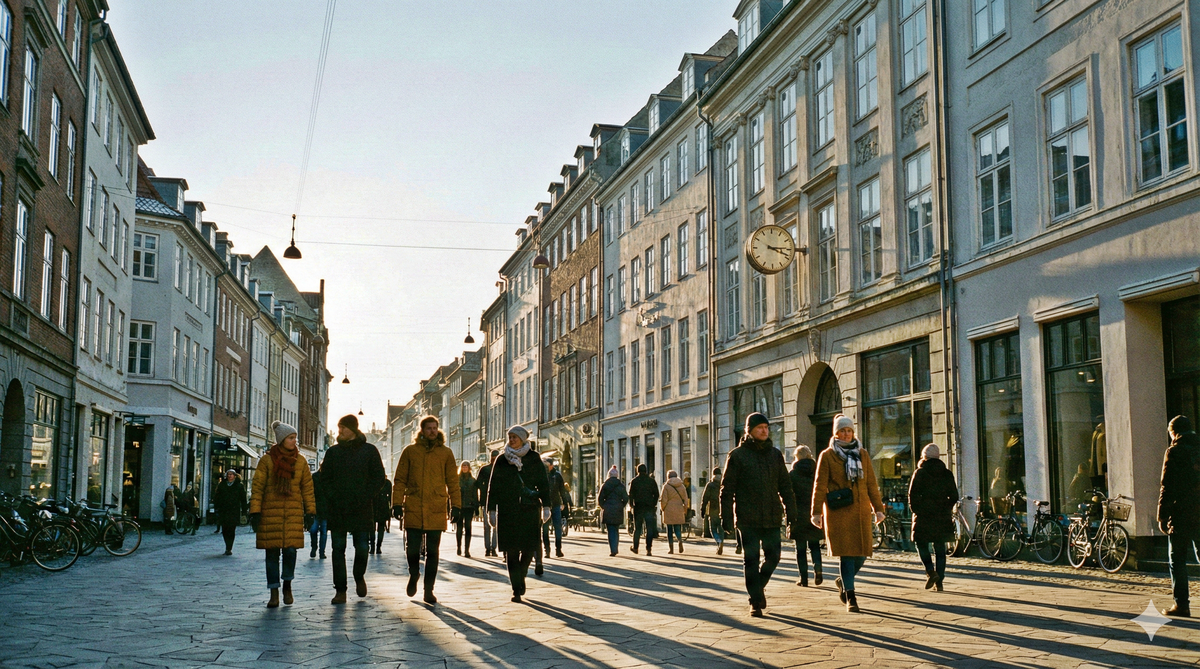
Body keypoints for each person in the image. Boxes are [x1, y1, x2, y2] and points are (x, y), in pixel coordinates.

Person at [721, 412, 798, 617]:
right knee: (751, 560)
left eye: (766, 427)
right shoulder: (737, 455)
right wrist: (726, 517)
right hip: (747, 517)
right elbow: (727, 489)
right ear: (750, 431)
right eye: (760, 428)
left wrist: (791, 511)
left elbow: (785, 486)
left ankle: (757, 588)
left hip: (772, 514)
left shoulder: (775, 454)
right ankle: (755, 601)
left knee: (774, 557)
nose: (764, 430)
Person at [812, 414, 885, 613]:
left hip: (861, 512)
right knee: (847, 554)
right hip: (840, 511)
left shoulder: (862, 454)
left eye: (849, 430)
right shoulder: (827, 455)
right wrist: (816, 512)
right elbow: (820, 485)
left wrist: (878, 508)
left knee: (861, 554)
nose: (846, 434)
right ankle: (850, 596)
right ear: (836, 433)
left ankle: (843, 580)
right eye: (842, 431)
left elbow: (871, 483)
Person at [392, 415, 460, 605]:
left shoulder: (445, 453)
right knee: (412, 549)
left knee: (433, 551)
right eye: (428, 428)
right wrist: (396, 503)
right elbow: (400, 480)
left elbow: (453, 482)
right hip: (414, 504)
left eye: (435, 428)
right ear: (421, 431)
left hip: (436, 506)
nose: (432, 431)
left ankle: (429, 589)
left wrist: (456, 506)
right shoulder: (410, 451)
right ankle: (414, 574)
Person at [248, 421, 316, 608]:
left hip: (293, 514)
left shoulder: (301, 461)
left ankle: (287, 585)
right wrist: (255, 511)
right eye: (291, 438)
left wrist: (310, 512)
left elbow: (307, 489)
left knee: (290, 552)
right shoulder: (267, 461)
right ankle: (274, 592)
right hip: (270, 513)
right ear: (281, 440)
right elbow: (258, 487)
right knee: (271, 554)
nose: (295, 441)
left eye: (295, 438)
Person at [321, 414, 386, 605]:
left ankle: (359, 576)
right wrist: (333, 497)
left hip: (361, 507)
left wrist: (366, 496)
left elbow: (378, 477)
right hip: (338, 508)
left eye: (343, 427)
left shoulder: (369, 451)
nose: (339, 431)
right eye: (339, 427)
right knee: (337, 549)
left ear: (353, 429)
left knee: (363, 547)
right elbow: (325, 479)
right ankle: (340, 590)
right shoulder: (333, 452)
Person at [487, 425, 548, 602]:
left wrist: (546, 506)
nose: (511, 440)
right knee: (511, 552)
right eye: (510, 437)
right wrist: (491, 509)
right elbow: (493, 487)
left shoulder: (534, 458)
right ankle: (516, 588)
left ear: (523, 439)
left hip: (529, 509)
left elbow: (543, 484)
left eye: (515, 437)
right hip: (508, 510)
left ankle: (521, 574)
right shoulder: (501, 459)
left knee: (529, 549)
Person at [1158, 415, 1200, 618]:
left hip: (1181, 512)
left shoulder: (1174, 451)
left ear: (1174, 432)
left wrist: (1162, 516)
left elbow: (1167, 486)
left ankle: (1181, 605)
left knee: (1178, 560)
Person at [908, 444, 959, 592]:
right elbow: (954, 496)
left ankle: (931, 571)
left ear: (924, 456)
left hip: (923, 515)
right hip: (942, 516)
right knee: (940, 549)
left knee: (921, 544)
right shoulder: (947, 473)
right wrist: (946, 508)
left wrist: (916, 510)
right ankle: (939, 582)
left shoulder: (920, 472)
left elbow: (912, 495)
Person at [790, 446, 823, 587]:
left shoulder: (792, 474)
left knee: (800, 548)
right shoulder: (817, 472)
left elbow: (788, 495)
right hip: (814, 513)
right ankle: (818, 569)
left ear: (796, 457)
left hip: (798, 515)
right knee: (814, 545)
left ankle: (804, 579)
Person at [213, 469, 247, 555]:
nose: (229, 476)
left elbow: (243, 499)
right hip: (223, 510)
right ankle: (227, 545)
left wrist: (244, 511)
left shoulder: (239, 486)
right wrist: (217, 506)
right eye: (228, 474)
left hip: (234, 510)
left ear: (235, 476)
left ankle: (229, 547)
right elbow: (217, 496)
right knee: (224, 529)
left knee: (231, 529)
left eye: (231, 474)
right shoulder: (222, 485)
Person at [628, 464, 659, 556]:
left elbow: (630, 495)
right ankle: (648, 549)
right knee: (649, 529)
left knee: (637, 528)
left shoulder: (634, 481)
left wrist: (631, 505)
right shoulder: (651, 481)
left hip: (638, 507)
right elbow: (656, 494)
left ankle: (636, 547)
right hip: (649, 507)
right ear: (646, 470)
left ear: (637, 471)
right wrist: (653, 504)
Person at [544, 460, 572, 558]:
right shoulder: (542, 474)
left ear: (552, 465)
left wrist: (564, 503)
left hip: (556, 504)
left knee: (558, 527)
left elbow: (562, 490)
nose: (546, 467)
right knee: (545, 529)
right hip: (545, 505)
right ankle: (546, 550)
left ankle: (558, 549)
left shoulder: (557, 476)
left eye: (547, 465)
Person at [597, 465, 628, 556]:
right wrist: (621, 505)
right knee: (616, 529)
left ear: (609, 475)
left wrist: (604, 506)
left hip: (608, 509)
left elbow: (600, 499)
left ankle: (613, 549)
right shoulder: (621, 485)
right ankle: (616, 547)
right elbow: (626, 498)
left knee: (610, 530)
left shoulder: (605, 485)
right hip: (618, 509)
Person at [660, 470, 691, 554]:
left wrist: (663, 508)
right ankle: (680, 540)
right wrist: (685, 510)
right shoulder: (682, 486)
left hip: (669, 509)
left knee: (669, 529)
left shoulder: (666, 486)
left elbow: (664, 499)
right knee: (677, 527)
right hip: (679, 508)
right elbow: (685, 499)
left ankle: (671, 548)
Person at [477, 450, 500, 557]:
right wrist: (483, 492)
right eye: (493, 457)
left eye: (496, 457)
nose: (494, 459)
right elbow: (477, 484)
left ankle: (493, 547)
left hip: (498, 502)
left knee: (495, 526)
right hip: (486, 501)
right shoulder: (485, 469)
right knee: (487, 526)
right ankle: (488, 548)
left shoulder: (501, 469)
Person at [456, 461, 479, 558]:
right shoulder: (457, 480)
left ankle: (467, 550)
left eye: (466, 466)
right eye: (463, 466)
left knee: (468, 528)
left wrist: (476, 507)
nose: (465, 468)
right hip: (459, 506)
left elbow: (475, 494)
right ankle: (459, 547)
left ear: (469, 468)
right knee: (459, 528)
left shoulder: (472, 480)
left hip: (469, 507)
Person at [701, 467, 725, 554]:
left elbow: (705, 498)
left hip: (713, 509)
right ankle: (721, 541)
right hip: (722, 509)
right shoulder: (723, 483)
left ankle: (718, 541)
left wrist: (703, 509)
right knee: (721, 528)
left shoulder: (710, 485)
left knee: (713, 529)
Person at [309, 469, 328, 559]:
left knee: (324, 532)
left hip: (325, 509)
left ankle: (321, 552)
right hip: (316, 508)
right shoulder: (315, 477)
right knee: (313, 530)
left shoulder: (329, 477)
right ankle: (314, 547)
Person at [371, 478, 392, 554]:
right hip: (383, 507)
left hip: (373, 506)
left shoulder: (371, 481)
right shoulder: (387, 483)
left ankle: (372, 548)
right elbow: (390, 497)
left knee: (372, 529)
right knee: (381, 528)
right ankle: (378, 547)